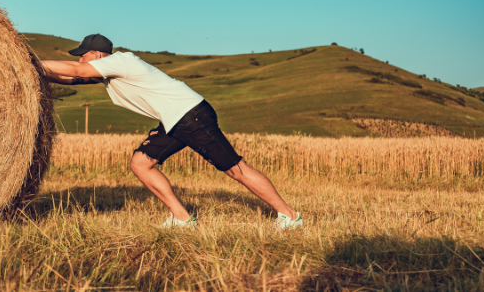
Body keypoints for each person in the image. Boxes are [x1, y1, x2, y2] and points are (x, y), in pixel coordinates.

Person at [41, 34, 302, 230]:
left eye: (82, 55)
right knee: (141, 163)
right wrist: (34, 72)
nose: (79, 59)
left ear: (97, 54)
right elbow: (73, 78)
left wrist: (29, 60)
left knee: (235, 169)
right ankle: (182, 218)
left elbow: (74, 70)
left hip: (191, 115)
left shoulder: (120, 61)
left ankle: (289, 216)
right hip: (174, 119)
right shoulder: (110, 73)